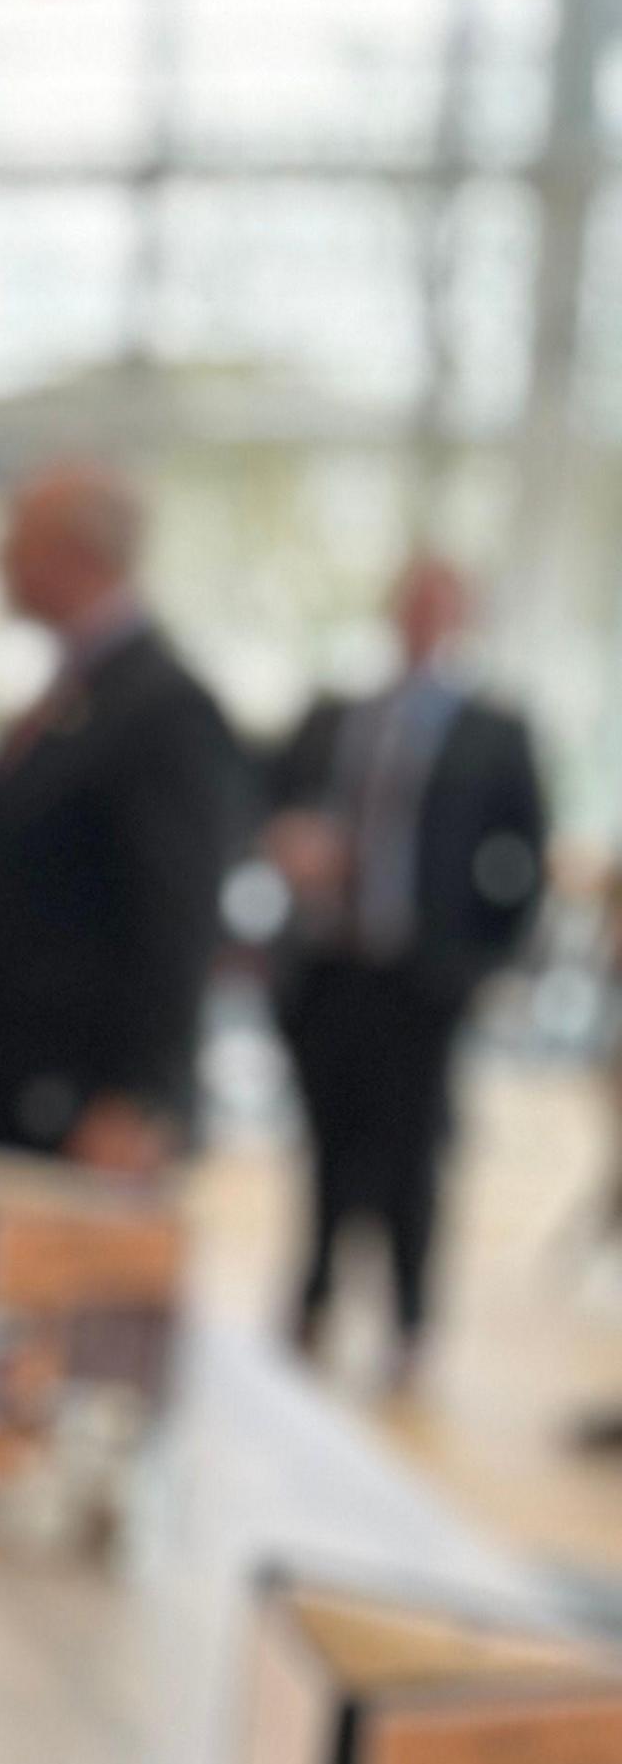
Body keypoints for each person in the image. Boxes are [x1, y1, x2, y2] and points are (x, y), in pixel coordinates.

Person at [0, 461, 246, 1253]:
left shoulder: (163, 708)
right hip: (8, 1092)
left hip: (78, 1115)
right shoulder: (72, 692)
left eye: (15, 542)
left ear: (75, 554)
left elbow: (178, 918)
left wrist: (140, 1098)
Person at [264, 556, 544, 1394]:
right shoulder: (334, 715)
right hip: (330, 966)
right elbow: (269, 805)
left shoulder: (493, 730)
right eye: (410, 603)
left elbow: (523, 858)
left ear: (460, 618)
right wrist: (290, 846)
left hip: (421, 977)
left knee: (413, 1154)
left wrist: (481, 962)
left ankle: (410, 1322)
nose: (420, 619)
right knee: (324, 1141)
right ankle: (310, 1298)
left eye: (438, 606)